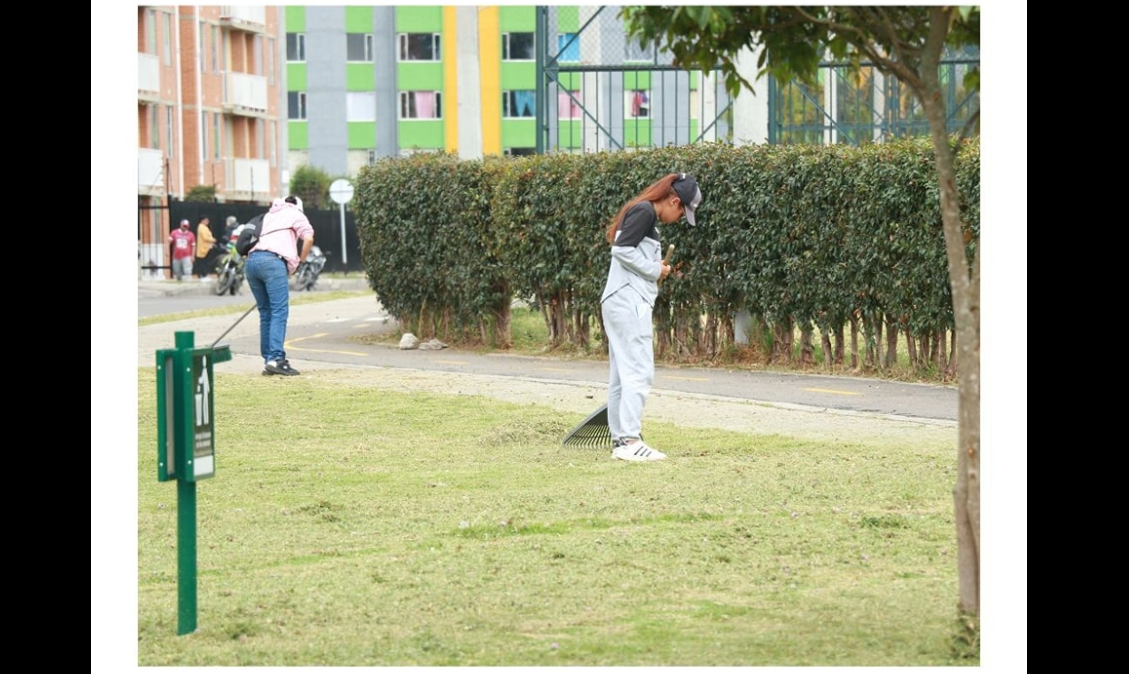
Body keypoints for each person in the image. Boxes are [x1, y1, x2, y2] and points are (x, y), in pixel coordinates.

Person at [600, 172, 702, 462]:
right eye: (682, 210)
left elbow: (627, 250)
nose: (680, 216)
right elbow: (621, 251)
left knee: (622, 374)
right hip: (628, 302)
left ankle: (622, 441)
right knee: (639, 372)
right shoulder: (645, 211)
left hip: (621, 300)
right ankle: (631, 440)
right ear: (673, 200)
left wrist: (654, 266)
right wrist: (656, 270)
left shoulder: (643, 212)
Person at [244, 195, 314, 376]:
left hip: (251, 262)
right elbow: (308, 239)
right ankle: (276, 358)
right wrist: (300, 262)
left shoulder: (269, 215)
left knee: (266, 312)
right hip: (273, 262)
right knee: (279, 311)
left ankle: (269, 359)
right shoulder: (296, 214)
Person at [195, 216, 217, 281]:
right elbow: (205, 237)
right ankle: (203, 275)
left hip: (207, 247)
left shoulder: (204, 227)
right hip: (203, 248)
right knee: (203, 262)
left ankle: (204, 274)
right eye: (206, 220)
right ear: (202, 221)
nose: (207, 222)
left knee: (205, 262)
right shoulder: (201, 227)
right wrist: (212, 240)